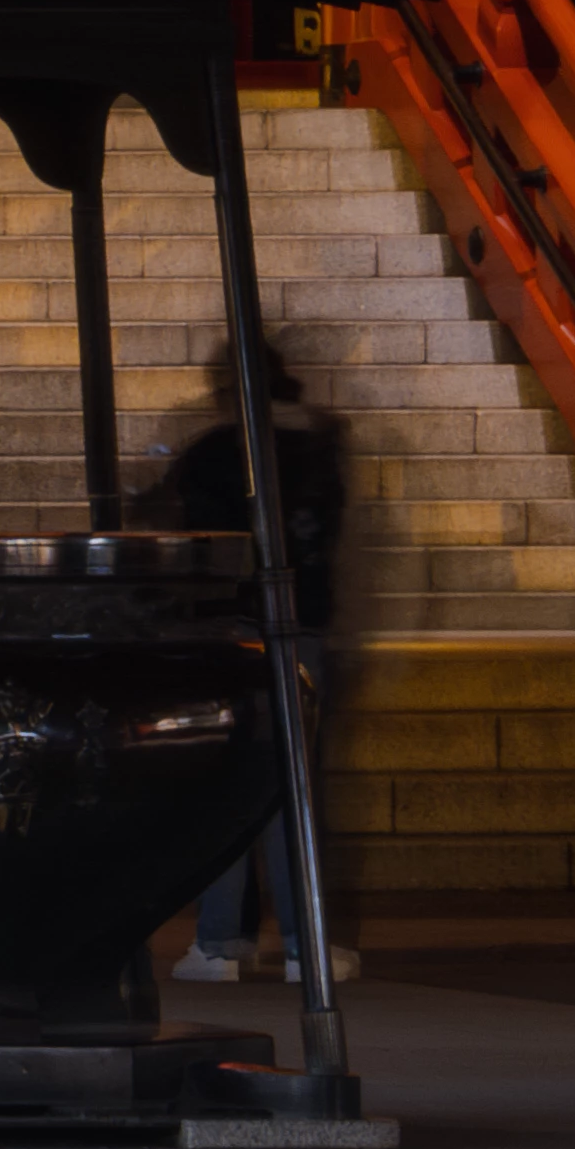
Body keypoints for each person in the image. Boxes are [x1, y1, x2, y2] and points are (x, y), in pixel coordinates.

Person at [163, 341, 358, 987]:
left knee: (229, 786)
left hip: (232, 628)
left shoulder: (212, 454)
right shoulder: (324, 445)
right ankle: (309, 945)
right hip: (305, 626)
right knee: (295, 791)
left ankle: (221, 942)